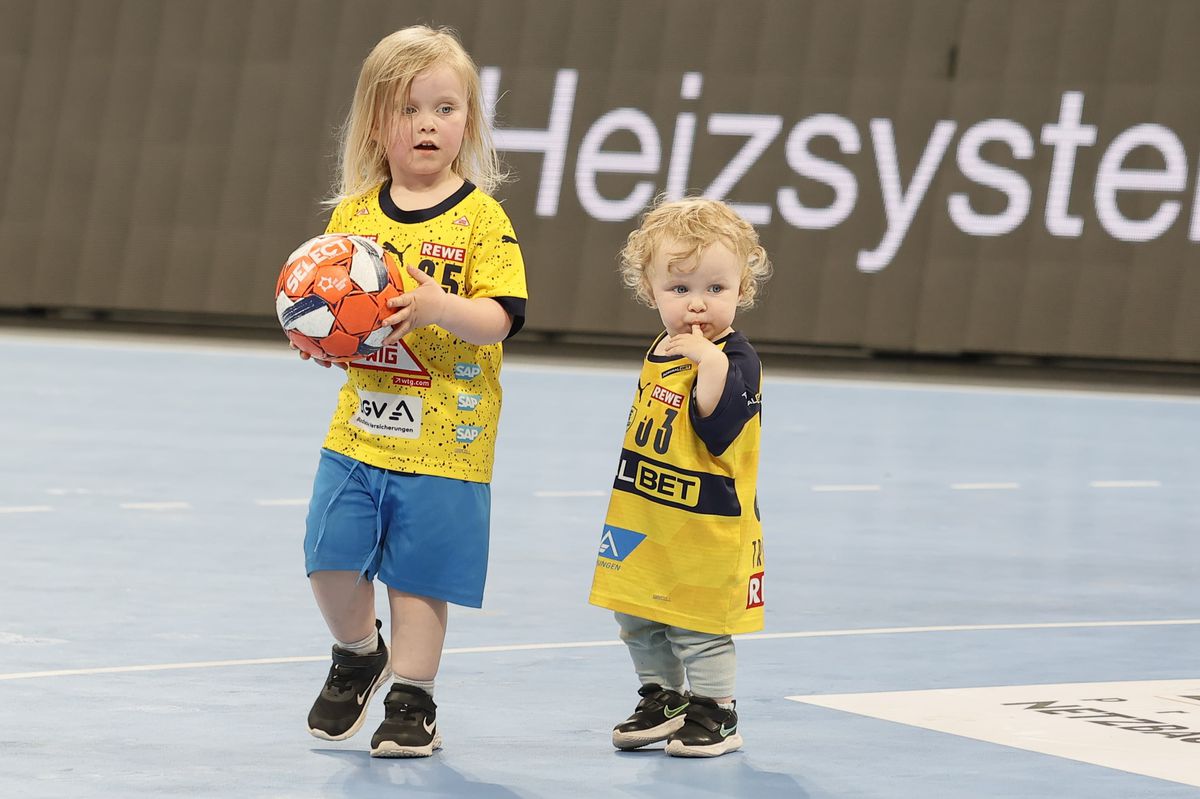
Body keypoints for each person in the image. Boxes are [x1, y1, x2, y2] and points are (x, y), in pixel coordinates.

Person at [293, 25, 526, 758]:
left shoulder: (481, 218)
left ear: (469, 122)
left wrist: (437, 309)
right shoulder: (354, 216)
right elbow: (329, 303)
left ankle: (413, 699)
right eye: (409, 109)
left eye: (446, 108)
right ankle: (359, 652)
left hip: (448, 436)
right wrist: (319, 338)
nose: (428, 124)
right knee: (328, 554)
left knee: (420, 576)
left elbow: (501, 317)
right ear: (376, 123)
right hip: (362, 429)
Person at [588, 197, 772, 758]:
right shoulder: (661, 347)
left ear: (742, 289)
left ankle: (717, 712)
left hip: (704, 519)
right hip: (646, 509)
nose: (698, 305)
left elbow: (716, 420)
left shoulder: (732, 358)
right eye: (680, 289)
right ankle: (663, 698)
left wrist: (707, 361)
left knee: (696, 624)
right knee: (637, 611)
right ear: (651, 291)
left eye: (716, 290)